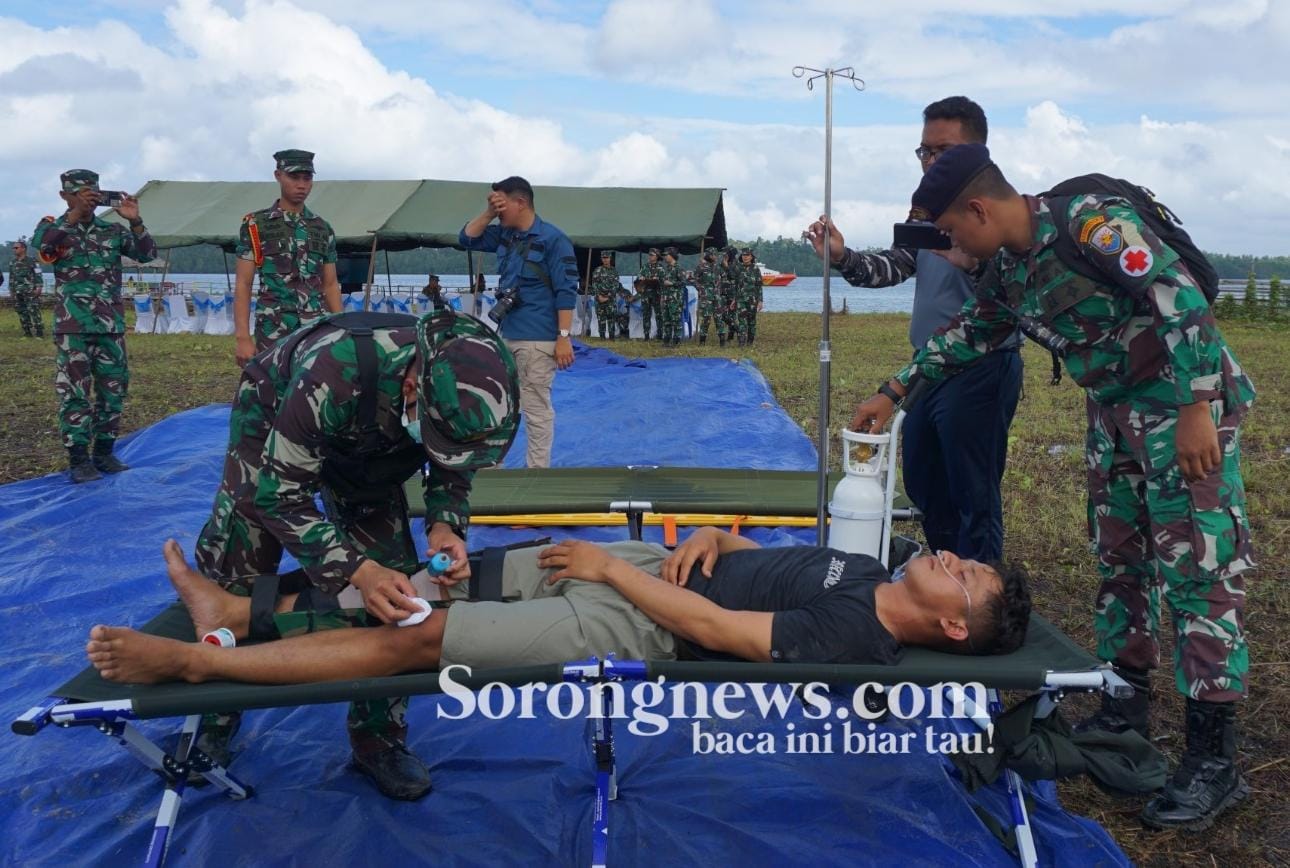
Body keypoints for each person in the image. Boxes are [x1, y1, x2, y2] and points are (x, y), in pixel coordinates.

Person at [851, 143, 1256, 831]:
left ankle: (1214, 759)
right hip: (1116, 412)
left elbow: (1178, 295)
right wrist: (895, 391)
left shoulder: (1089, 224)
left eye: (951, 231)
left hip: (1180, 408)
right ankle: (1124, 704)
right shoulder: (1008, 270)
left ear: (978, 208)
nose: (950, 247)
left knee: (1197, 570)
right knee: (1119, 559)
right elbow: (973, 332)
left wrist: (1197, 406)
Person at [190, 307, 520, 801]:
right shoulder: (333, 371)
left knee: (401, 598)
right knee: (243, 566)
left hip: (371, 450)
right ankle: (215, 714)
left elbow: (453, 459)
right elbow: (279, 497)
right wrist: (355, 570)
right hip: (277, 416)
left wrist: (445, 522)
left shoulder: (460, 386)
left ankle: (378, 737)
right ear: (413, 389)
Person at [88, 529, 1031, 693]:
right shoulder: (866, 566)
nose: (953, 558)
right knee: (450, 578)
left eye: (968, 577)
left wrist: (608, 574)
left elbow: (715, 633)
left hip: (641, 623)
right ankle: (237, 610)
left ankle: (197, 663)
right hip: (653, 570)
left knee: (418, 640)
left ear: (952, 625)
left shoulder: (854, 638)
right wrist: (713, 537)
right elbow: (753, 564)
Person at [805, 96, 1022, 563]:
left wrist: (977, 260)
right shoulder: (926, 212)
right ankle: (943, 579)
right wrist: (843, 257)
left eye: (942, 150)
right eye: (924, 151)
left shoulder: (995, 212)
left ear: (978, 152)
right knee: (925, 484)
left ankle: (980, 589)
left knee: (973, 492)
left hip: (981, 367)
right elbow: (892, 266)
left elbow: (1013, 293)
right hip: (928, 368)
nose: (930, 161)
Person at [31, 170, 157, 483]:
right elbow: (44, 250)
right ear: (65, 195)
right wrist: (73, 217)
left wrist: (135, 221)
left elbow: (147, 254)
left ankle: (103, 452)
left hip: (109, 325)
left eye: (92, 192)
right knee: (74, 393)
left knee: (113, 389)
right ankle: (78, 459)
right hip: (73, 326)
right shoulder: (53, 227)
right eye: (80, 192)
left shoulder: (111, 230)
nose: (88, 197)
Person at [460, 176, 578, 468]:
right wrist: (489, 213)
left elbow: (566, 291)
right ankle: (495, 472)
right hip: (508, 335)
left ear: (521, 202)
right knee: (500, 405)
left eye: (501, 205)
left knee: (536, 408)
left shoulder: (553, 239)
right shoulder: (506, 236)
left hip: (538, 339)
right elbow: (466, 239)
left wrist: (564, 337)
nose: (498, 212)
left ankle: (537, 476)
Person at [234, 149, 343, 366]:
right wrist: (243, 338)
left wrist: (343, 329)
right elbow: (244, 284)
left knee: (313, 391)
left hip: (315, 328)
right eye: (294, 177)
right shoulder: (257, 225)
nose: (301, 185)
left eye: (307, 178)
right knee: (271, 392)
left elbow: (330, 285)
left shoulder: (322, 228)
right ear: (278, 176)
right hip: (274, 328)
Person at [8, 239, 45, 338]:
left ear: (23, 249)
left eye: (16, 248)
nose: (14, 250)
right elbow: (11, 277)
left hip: (30, 291)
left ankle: (39, 333)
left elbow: (38, 274)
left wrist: (39, 287)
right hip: (17, 291)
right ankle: (27, 332)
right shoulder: (13, 262)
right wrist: (11, 290)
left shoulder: (32, 260)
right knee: (21, 312)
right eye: (13, 248)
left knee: (34, 311)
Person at [691, 249, 725, 347]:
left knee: (719, 319)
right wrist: (701, 289)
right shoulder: (701, 267)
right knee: (706, 319)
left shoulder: (718, 267)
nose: (716, 256)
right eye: (714, 255)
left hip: (717, 298)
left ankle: (722, 341)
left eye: (716, 255)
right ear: (709, 255)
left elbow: (725, 277)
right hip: (706, 298)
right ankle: (702, 341)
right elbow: (693, 279)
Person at [732, 248, 762, 346]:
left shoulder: (756, 269)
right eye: (744, 255)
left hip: (752, 299)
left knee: (751, 321)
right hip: (741, 299)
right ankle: (741, 342)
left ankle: (750, 341)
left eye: (747, 255)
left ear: (751, 257)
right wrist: (734, 300)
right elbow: (736, 285)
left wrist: (760, 301)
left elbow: (759, 286)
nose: (745, 257)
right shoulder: (738, 268)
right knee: (741, 320)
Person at [658, 246, 687, 347]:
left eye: (667, 255)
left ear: (672, 256)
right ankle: (666, 339)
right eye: (665, 255)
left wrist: (671, 283)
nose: (665, 257)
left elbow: (683, 282)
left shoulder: (679, 268)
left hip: (675, 299)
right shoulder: (666, 269)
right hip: (665, 298)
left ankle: (676, 340)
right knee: (666, 320)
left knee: (675, 320)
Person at [590, 251, 620, 340]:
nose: (605, 259)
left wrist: (607, 297)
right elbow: (594, 285)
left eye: (607, 258)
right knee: (601, 319)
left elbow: (616, 285)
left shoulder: (614, 271)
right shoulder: (597, 270)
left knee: (611, 319)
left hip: (610, 300)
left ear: (610, 258)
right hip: (599, 299)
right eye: (604, 258)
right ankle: (602, 337)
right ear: (601, 259)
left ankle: (611, 337)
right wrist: (599, 296)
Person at [637, 248, 663, 340]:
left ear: (657, 257)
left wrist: (656, 280)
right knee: (646, 315)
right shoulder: (645, 267)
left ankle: (660, 335)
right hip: (646, 295)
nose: (650, 256)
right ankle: (646, 335)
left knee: (659, 315)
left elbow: (663, 281)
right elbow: (639, 278)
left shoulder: (661, 268)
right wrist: (642, 280)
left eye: (652, 255)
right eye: (649, 255)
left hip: (657, 295)